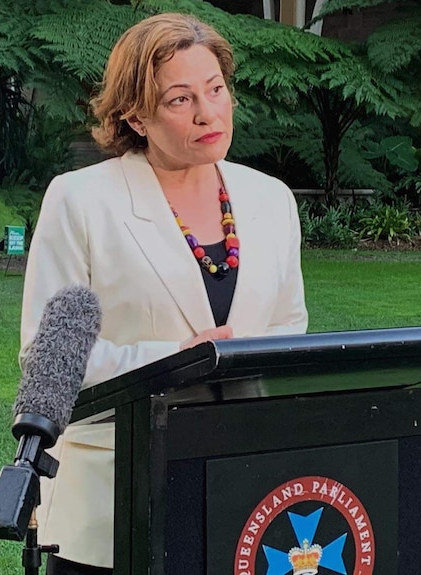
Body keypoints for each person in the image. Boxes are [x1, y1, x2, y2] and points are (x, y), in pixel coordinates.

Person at [19, 12, 308, 575]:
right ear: (136, 115)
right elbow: (47, 362)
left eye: (216, 89)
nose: (208, 113)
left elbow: (289, 331)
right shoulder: (80, 202)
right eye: (180, 100)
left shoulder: (272, 199)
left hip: (241, 502)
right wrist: (178, 361)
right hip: (112, 512)